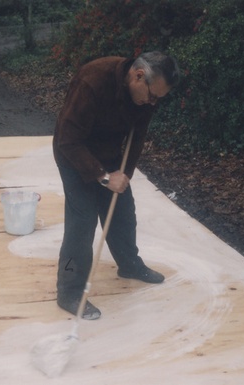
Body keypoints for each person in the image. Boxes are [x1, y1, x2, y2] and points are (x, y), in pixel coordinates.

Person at [53, 51, 180, 320]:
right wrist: (103, 177)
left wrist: (124, 175)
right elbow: (68, 139)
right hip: (74, 153)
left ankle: (129, 264)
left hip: (110, 155)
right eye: (152, 96)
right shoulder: (93, 80)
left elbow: (137, 138)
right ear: (138, 76)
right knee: (81, 223)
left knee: (123, 212)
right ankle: (69, 290)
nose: (153, 103)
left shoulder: (145, 98)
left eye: (158, 99)